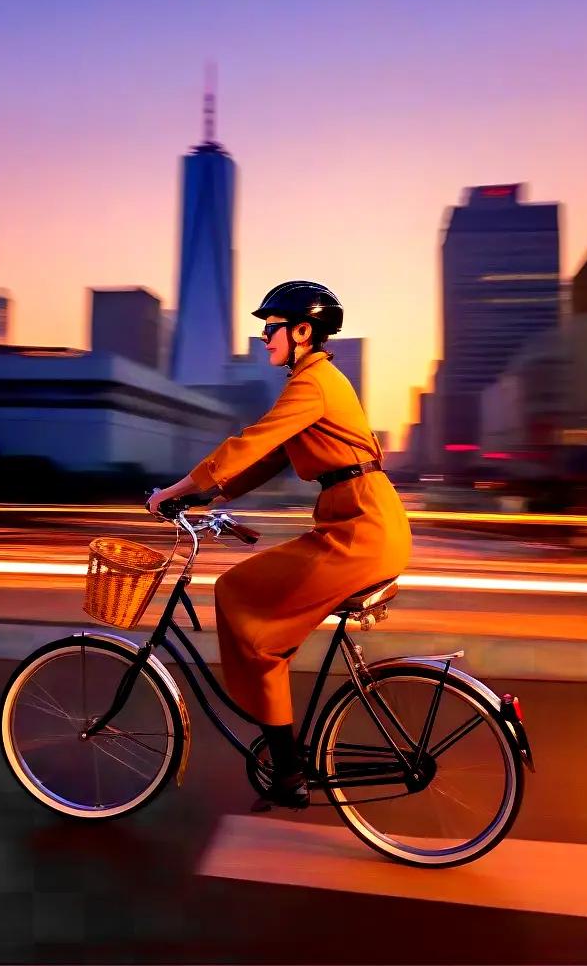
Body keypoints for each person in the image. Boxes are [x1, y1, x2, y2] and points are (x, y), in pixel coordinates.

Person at [148, 281, 412, 808]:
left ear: (302, 332)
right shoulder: (312, 381)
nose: (263, 337)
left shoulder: (312, 383)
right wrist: (210, 495)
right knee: (249, 602)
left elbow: (251, 441)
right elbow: (271, 459)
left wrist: (177, 490)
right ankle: (282, 750)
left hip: (361, 531)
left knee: (243, 600)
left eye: (270, 328)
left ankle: (288, 769)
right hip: (353, 523)